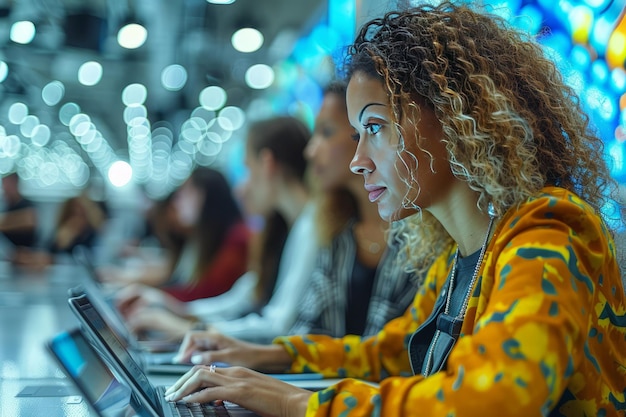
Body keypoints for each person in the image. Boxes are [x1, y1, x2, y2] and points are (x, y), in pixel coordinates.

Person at [164, 3, 626, 416]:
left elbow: (495, 400)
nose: (357, 159)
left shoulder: (550, 230)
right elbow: (388, 352)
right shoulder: (461, 255)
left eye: (375, 127)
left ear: (456, 118)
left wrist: (295, 401)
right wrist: (261, 358)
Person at [116, 116, 318, 343]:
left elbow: (278, 325)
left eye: (247, 170)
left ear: (267, 163)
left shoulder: (310, 227)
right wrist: (177, 311)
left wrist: (189, 330)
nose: (241, 189)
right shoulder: (282, 229)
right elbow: (241, 299)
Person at [289, 81, 421, 337]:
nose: (310, 151)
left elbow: (393, 355)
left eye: (326, 132)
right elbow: (309, 332)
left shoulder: (427, 232)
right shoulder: (334, 229)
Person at [110, 167, 250, 312]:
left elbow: (208, 293)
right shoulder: (204, 237)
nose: (178, 202)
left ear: (206, 196)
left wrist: (155, 295)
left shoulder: (236, 239)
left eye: (186, 193)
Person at [12, 192, 107, 270]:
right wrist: (31, 256)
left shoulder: (91, 234)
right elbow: (46, 251)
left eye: (81, 212)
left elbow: (89, 262)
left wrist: (53, 260)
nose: (77, 216)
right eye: (73, 212)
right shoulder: (60, 230)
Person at [0, 172, 38, 251]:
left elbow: (29, 220)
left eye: (7, 184)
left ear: (15, 183)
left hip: (27, 252)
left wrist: (4, 223)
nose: (4, 188)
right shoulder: (8, 207)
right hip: (11, 252)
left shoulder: (25, 204)